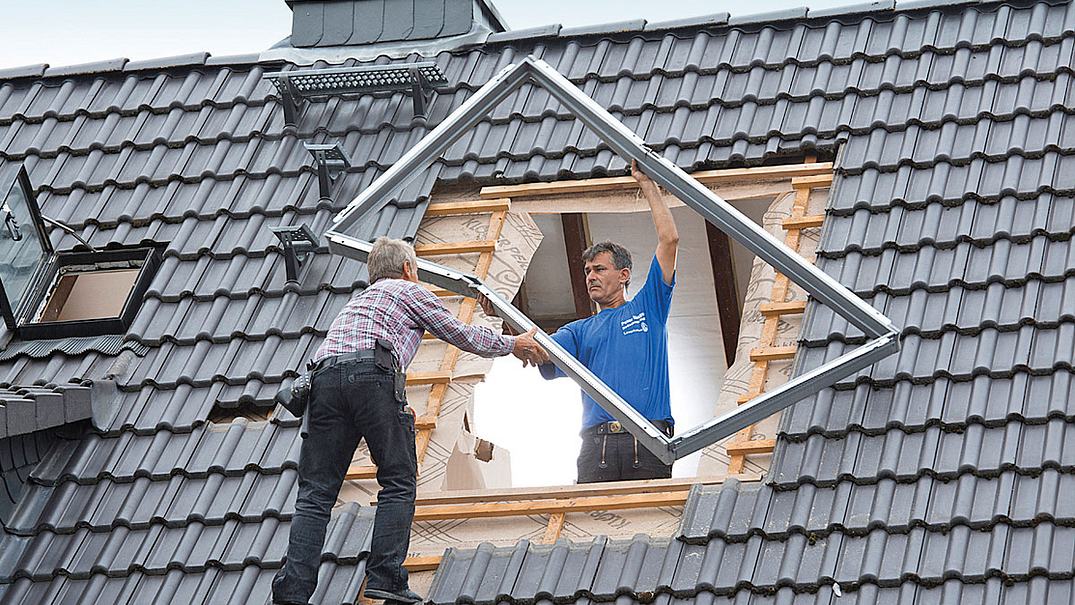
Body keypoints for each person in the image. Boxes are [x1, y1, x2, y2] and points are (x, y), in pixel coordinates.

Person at [272, 237, 548, 605]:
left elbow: (350, 371)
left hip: (323, 383)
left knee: (315, 495)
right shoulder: (407, 290)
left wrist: (392, 404)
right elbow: (460, 334)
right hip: (372, 378)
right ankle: (385, 576)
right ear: (407, 269)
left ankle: (291, 593)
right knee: (398, 480)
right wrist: (512, 344)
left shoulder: (355, 304)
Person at [538, 160, 679, 483]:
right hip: (596, 447)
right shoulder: (577, 331)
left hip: (648, 440)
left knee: (651, 516)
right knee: (591, 517)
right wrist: (503, 324)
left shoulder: (649, 307)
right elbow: (538, 350)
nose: (591, 276)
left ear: (624, 275)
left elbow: (669, 240)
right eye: (587, 271)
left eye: (599, 269)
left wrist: (646, 183)